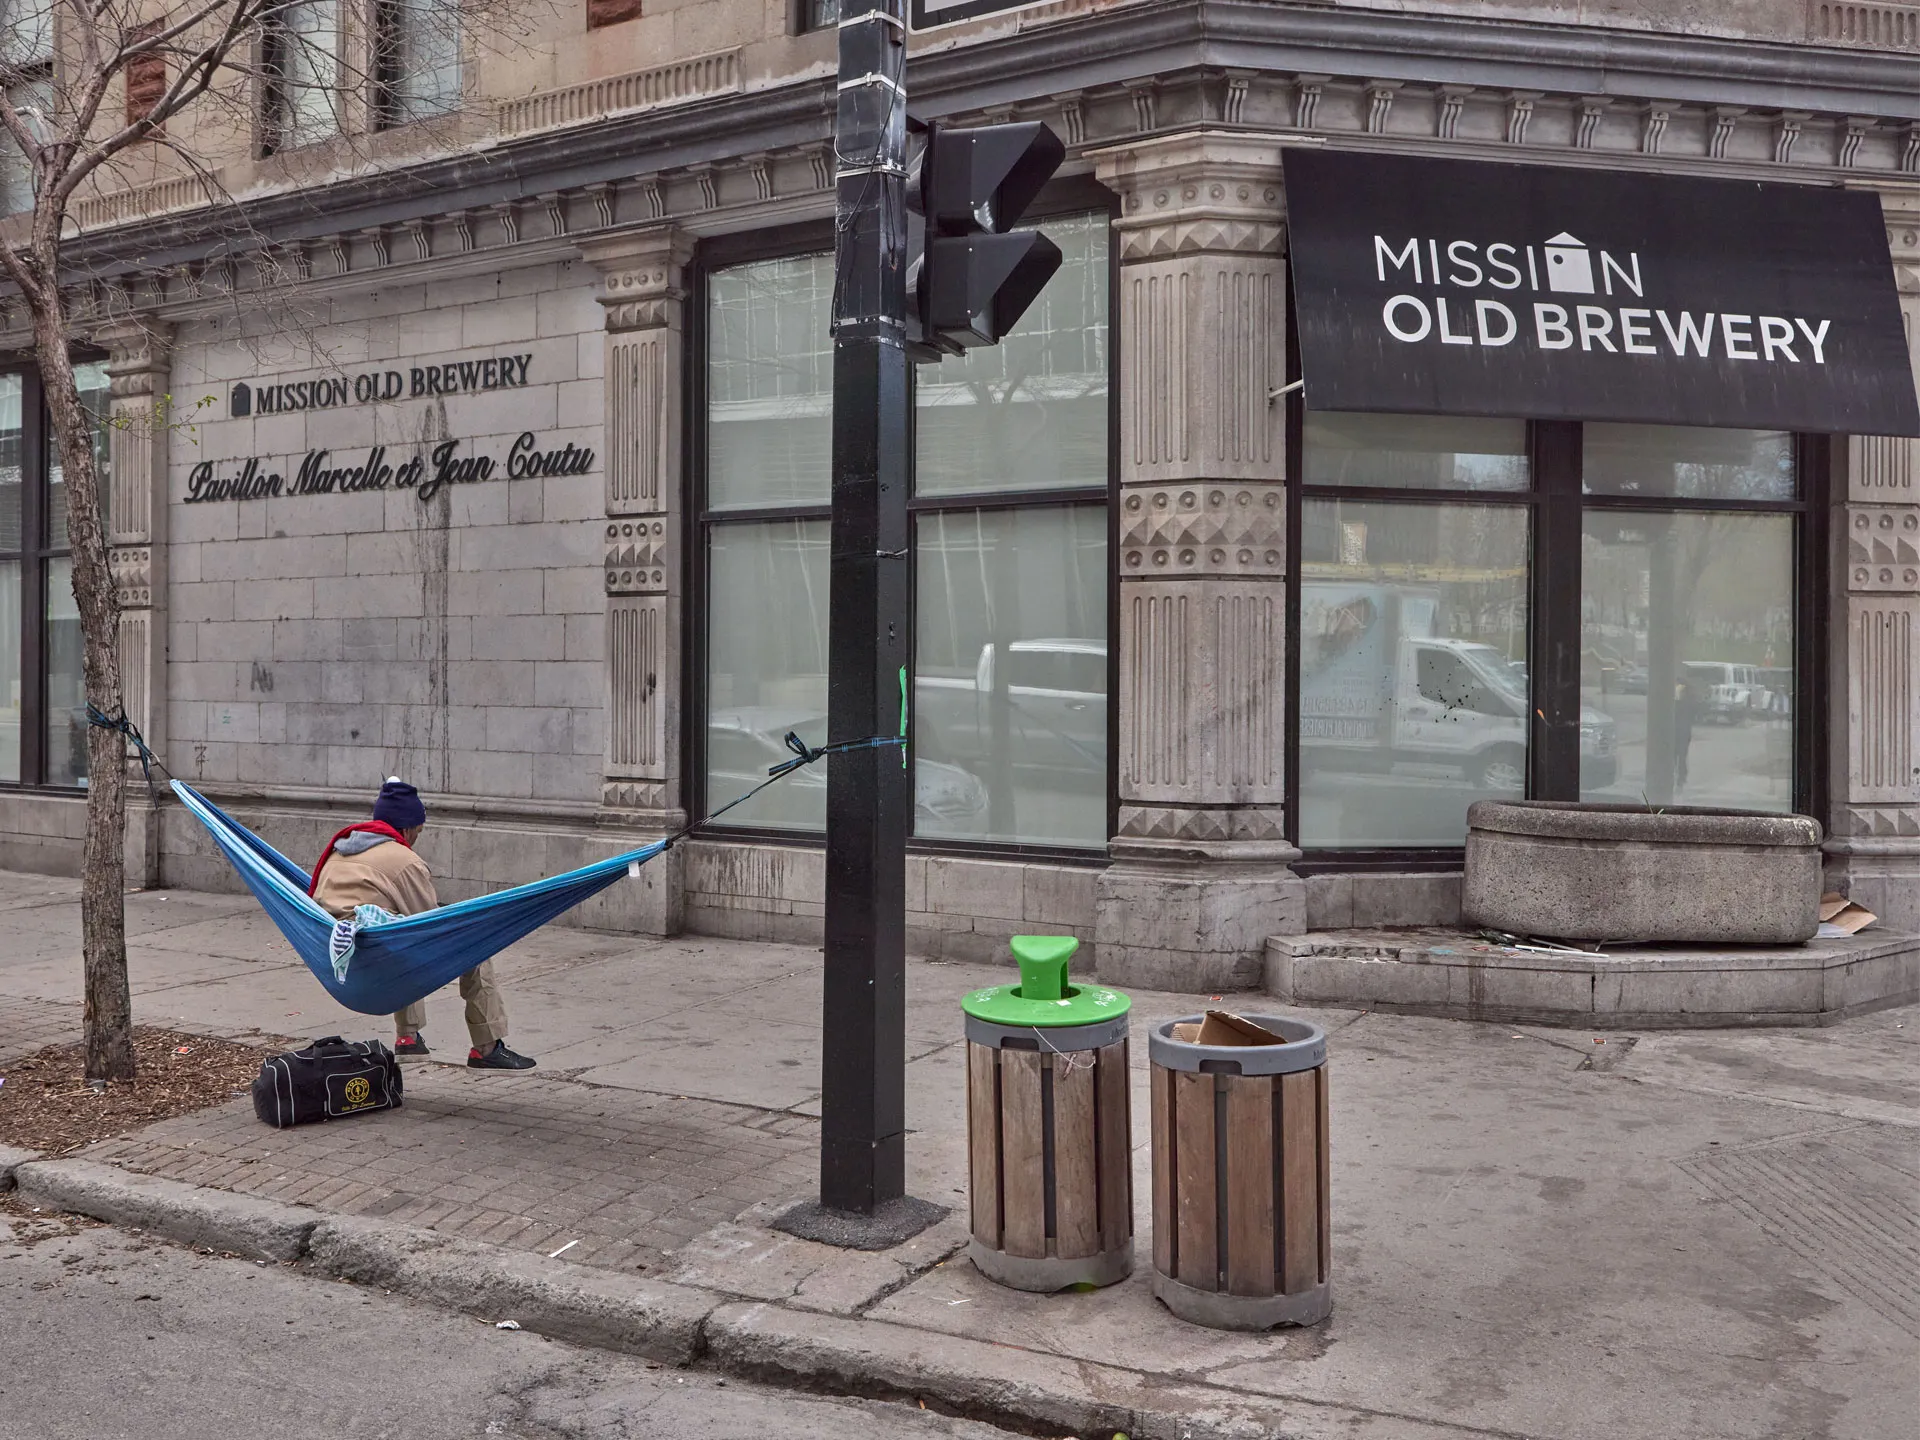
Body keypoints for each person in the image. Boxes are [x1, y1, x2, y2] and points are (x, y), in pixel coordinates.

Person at [309, 778, 536, 1070]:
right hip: (374, 958)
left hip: (336, 952)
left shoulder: (340, 850)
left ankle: (408, 1037)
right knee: (476, 947)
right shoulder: (404, 860)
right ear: (405, 828)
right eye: (418, 830)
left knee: (397, 932)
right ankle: (487, 1046)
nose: (416, 838)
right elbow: (428, 925)